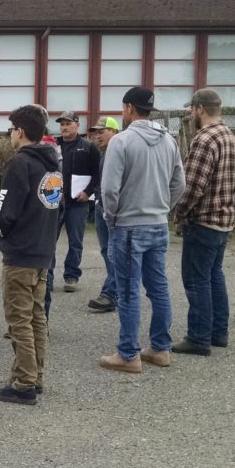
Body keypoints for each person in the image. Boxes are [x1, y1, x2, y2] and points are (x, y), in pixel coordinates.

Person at [97, 87, 185, 374]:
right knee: (158, 288)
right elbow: (179, 184)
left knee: (128, 290)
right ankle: (160, 348)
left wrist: (112, 216)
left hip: (129, 225)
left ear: (128, 108)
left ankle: (128, 354)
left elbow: (109, 188)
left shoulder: (121, 142)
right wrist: (163, 207)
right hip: (158, 223)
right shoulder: (168, 140)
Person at [0, 105, 61, 404]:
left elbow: (4, 212)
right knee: (36, 318)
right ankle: (36, 375)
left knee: (18, 320)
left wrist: (4, 238)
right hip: (43, 252)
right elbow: (59, 208)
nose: (9, 135)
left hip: (20, 255)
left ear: (20, 131)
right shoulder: (53, 165)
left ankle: (23, 383)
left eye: (10, 129)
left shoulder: (20, 164)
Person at [172, 90, 235, 355]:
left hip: (203, 220)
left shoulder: (204, 138)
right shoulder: (229, 136)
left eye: (191, 110)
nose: (190, 114)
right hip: (224, 218)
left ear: (200, 109)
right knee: (214, 275)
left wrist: (179, 213)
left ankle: (198, 338)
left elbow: (192, 187)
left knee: (196, 279)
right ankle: (218, 333)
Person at [45, 111, 101, 316]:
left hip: (77, 203)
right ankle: (47, 275)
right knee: (50, 240)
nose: (64, 127)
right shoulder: (53, 145)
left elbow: (98, 174)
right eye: (62, 124)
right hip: (54, 202)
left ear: (77, 125)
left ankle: (71, 275)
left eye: (68, 124)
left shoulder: (88, 147)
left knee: (75, 241)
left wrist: (88, 193)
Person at [86, 117, 121, 313]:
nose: (98, 135)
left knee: (113, 252)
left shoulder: (118, 152)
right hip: (101, 206)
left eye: (102, 131)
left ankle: (110, 294)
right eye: (96, 132)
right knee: (107, 251)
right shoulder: (105, 153)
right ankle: (116, 291)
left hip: (111, 210)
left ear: (114, 131)